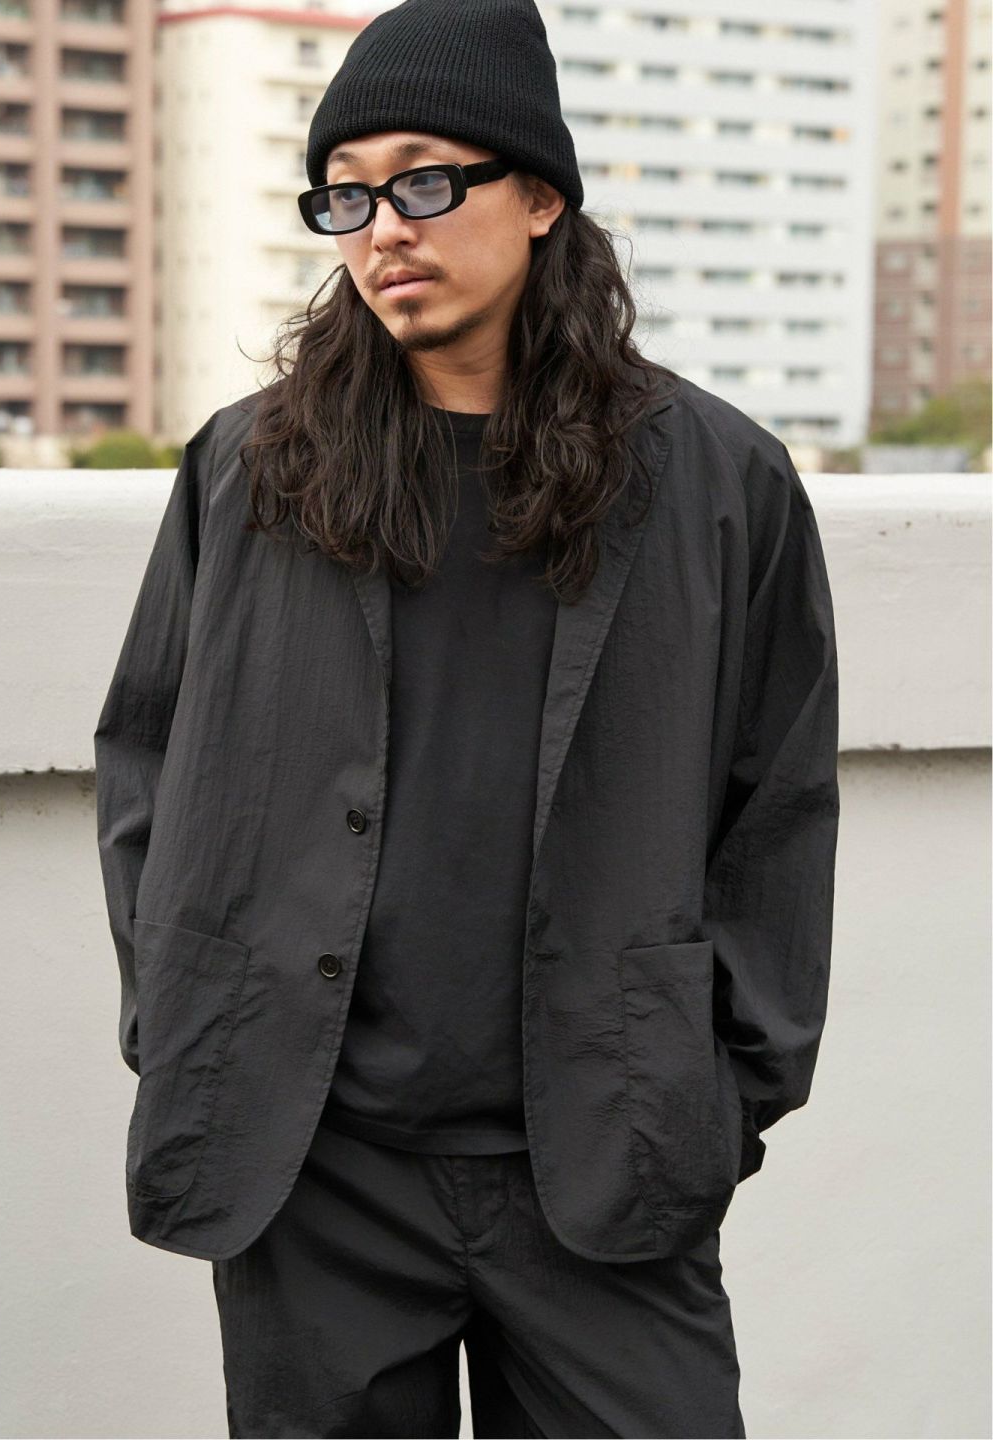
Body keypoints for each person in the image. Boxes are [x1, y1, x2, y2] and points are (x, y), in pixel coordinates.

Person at [92, 1, 841, 1435]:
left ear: (541, 196)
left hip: (605, 1160)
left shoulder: (717, 482)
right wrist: (185, 1019)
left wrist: (722, 1091)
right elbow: (147, 762)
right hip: (319, 1168)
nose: (386, 228)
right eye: (349, 194)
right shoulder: (251, 470)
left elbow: (780, 807)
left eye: (427, 182)